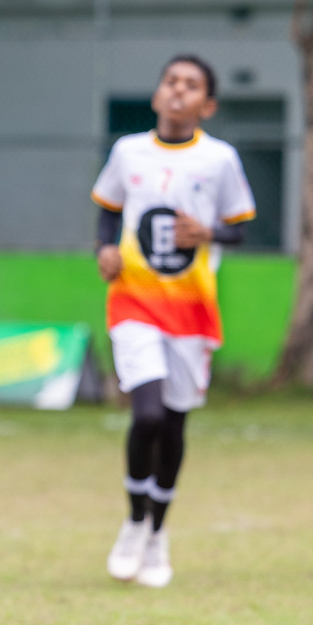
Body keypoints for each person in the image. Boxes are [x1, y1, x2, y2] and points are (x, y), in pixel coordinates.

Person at [93, 54, 255, 589]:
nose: (178, 91)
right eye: (171, 81)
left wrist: (207, 232)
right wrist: (104, 249)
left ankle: (159, 536)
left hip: (191, 310)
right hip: (135, 301)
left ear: (207, 104)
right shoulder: (127, 151)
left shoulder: (220, 159)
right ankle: (134, 521)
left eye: (192, 86)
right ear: (159, 93)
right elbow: (109, 208)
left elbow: (239, 230)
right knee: (148, 415)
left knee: (176, 422)